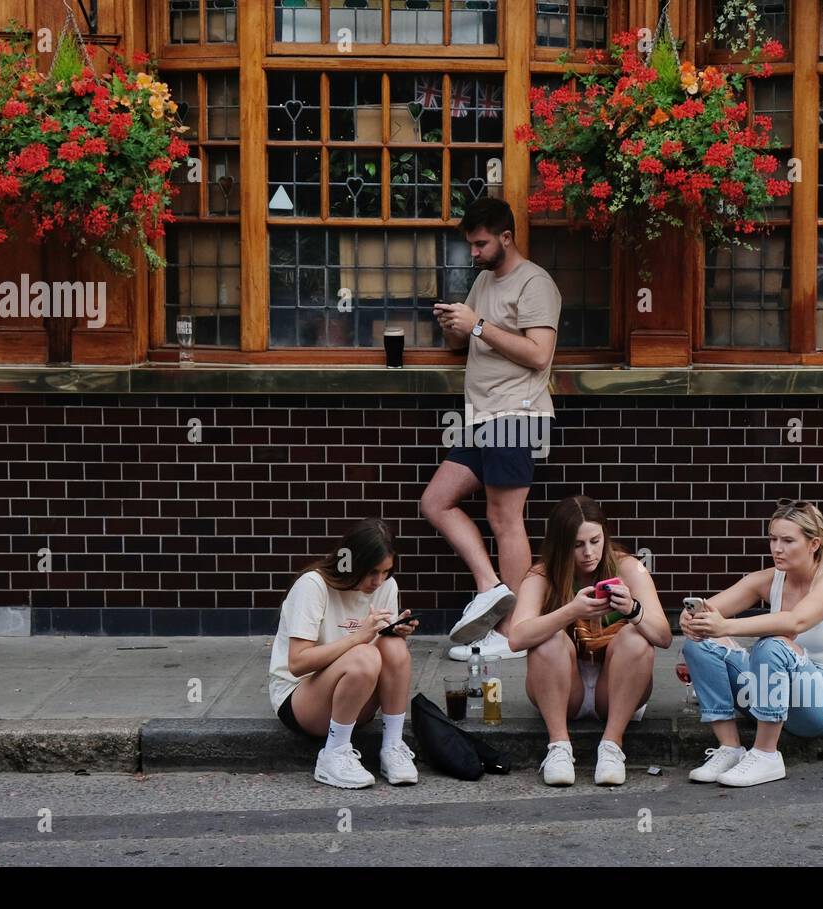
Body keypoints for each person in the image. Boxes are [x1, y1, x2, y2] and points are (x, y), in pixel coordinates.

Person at [420, 197, 562, 664]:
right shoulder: (483, 280)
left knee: (505, 520)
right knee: (435, 502)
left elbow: (540, 354)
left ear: (506, 237)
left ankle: (513, 630)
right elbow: (469, 341)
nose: (474, 253)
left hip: (516, 415)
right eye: (471, 245)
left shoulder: (536, 283)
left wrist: (477, 324)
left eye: (481, 244)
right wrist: (454, 327)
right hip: (481, 416)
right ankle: (490, 586)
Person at [680, 499, 823, 788]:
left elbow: (795, 622)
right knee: (699, 644)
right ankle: (730, 749)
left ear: (813, 544)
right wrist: (693, 620)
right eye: (773, 539)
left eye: (788, 540)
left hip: (820, 702)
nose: (777, 548)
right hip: (768, 693)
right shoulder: (768, 579)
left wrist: (726, 626)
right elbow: (711, 608)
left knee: (773, 643)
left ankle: (765, 754)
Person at [508, 495, 671, 786]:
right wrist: (570, 611)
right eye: (577, 545)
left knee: (637, 637)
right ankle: (558, 746)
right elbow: (516, 638)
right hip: (564, 689)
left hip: (617, 685)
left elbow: (663, 636)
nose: (588, 553)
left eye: (595, 541)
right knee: (547, 640)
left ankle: (612, 745)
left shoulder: (629, 568)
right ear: (561, 544)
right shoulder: (542, 575)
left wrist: (633, 610)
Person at [267, 518, 420, 789]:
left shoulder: (387, 586)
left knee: (393, 646)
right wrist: (359, 637)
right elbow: (298, 663)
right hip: (302, 698)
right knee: (365, 655)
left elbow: (383, 654)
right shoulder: (313, 586)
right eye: (372, 572)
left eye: (386, 571)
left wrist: (394, 632)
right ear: (352, 562)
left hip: (354, 693)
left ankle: (392, 748)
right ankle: (333, 754)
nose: (379, 581)